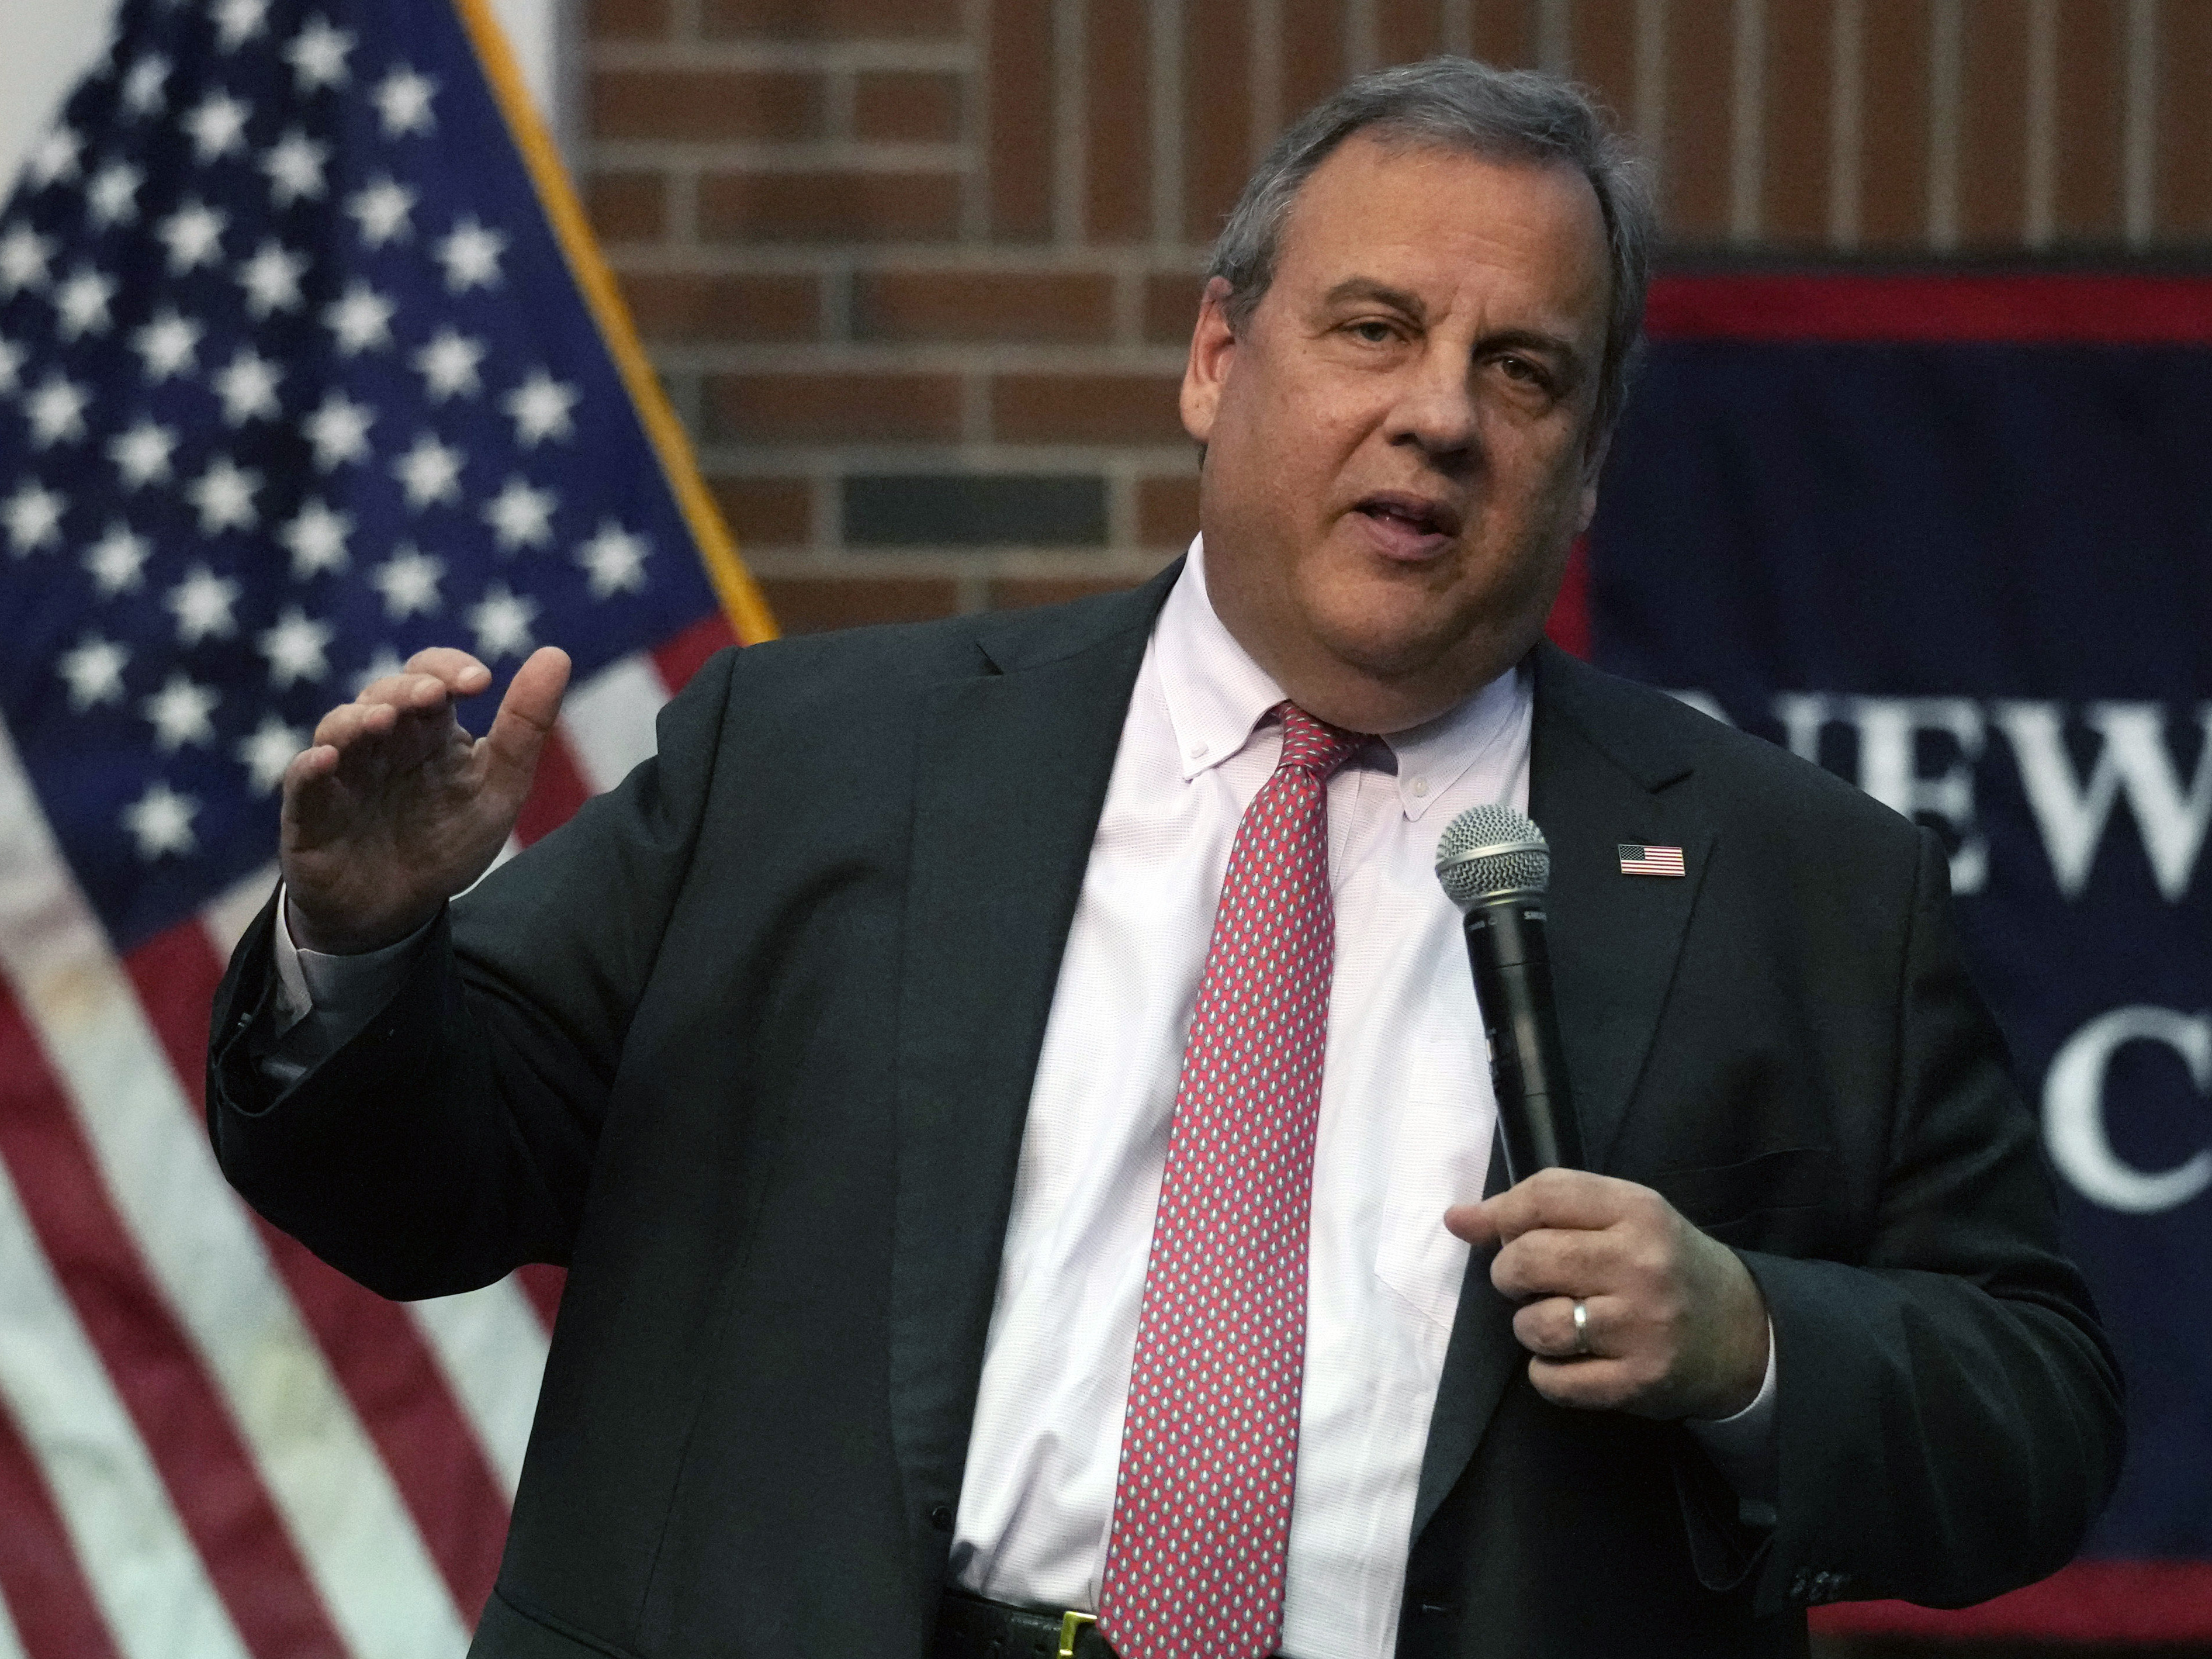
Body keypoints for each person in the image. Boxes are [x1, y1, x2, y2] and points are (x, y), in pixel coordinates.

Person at [209, 58, 2121, 1659]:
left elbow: (2033, 1410)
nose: (1437, 415)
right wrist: (365, 943)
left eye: (1521, 372)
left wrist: (1751, 1337)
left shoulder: (1800, 887)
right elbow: (425, 1191)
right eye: (1372, 328)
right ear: (1219, 355)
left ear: (1587, 458)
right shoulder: (813, 760)